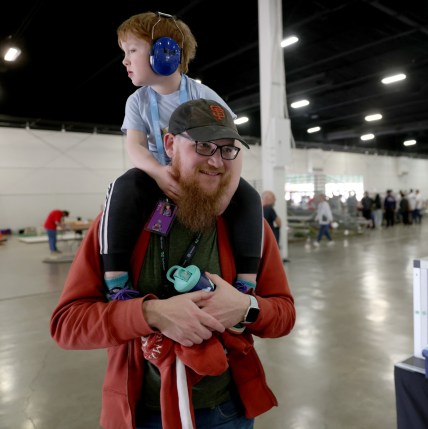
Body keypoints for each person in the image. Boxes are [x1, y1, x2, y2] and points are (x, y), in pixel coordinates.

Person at [50, 99, 296, 429]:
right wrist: (152, 314)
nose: (216, 161)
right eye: (203, 146)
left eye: (227, 150)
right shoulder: (120, 227)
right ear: (170, 144)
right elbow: (68, 325)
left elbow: (284, 315)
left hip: (226, 412)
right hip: (143, 414)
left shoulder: (250, 229)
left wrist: (245, 307)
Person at [99, 11, 262, 304]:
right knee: (124, 186)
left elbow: (233, 147)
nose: (125, 60)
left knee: (249, 197)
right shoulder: (137, 101)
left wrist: (227, 192)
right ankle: (116, 282)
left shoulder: (205, 96)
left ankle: (247, 283)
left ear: (165, 52)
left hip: (199, 175)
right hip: (164, 176)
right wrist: (159, 174)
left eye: (132, 50)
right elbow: (136, 147)